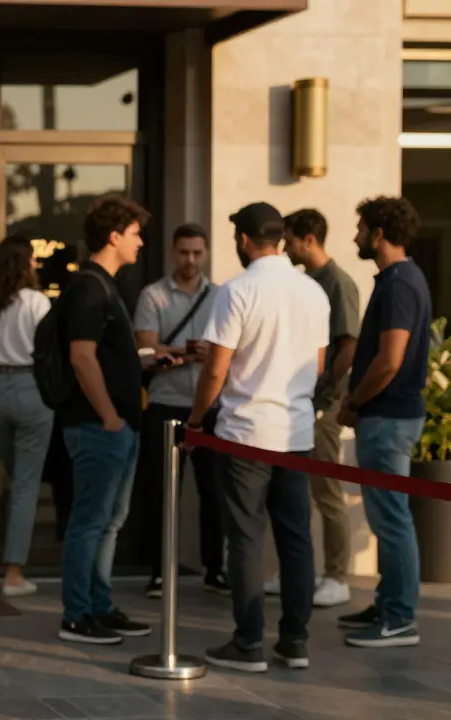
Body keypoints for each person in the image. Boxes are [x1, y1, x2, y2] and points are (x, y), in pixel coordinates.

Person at [188, 202, 330, 673]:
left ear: (246, 241)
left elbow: (215, 370)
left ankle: (248, 642)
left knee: (246, 539)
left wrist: (194, 420)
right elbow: (319, 365)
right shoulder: (313, 291)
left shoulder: (237, 290)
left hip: (245, 434)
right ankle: (295, 641)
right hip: (295, 432)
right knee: (296, 539)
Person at [57, 195, 160, 645]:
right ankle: (78, 615)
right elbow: (82, 357)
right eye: (136, 233)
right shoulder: (89, 286)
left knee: (108, 522)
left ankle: (100, 605)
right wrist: (110, 417)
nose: (141, 242)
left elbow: (106, 355)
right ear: (114, 235)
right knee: (90, 521)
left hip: (116, 426)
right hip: (100, 428)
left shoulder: (105, 285)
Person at [336, 196, 430, 648]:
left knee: (392, 520)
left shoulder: (398, 284)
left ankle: (399, 618)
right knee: (388, 518)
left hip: (387, 418)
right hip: (390, 418)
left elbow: (389, 360)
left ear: (378, 233)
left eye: (360, 227)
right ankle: (389, 601)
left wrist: (354, 401)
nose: (355, 235)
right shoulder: (400, 279)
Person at [270, 209, 360, 608]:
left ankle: (337, 576)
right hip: (301, 406)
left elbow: (348, 348)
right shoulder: (306, 283)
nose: (285, 246)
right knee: (294, 493)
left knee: (326, 490)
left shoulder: (338, 283)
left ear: (308, 239)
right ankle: (294, 571)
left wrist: (324, 398)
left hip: (322, 406)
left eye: (289, 238)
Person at [134, 223, 226, 599]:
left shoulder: (220, 296)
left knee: (215, 492)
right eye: (184, 252)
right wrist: (194, 355)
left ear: (205, 254)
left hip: (212, 407)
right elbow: (145, 350)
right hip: (165, 405)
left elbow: (232, 351)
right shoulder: (153, 295)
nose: (191, 259)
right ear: (174, 253)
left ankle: (214, 570)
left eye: (197, 253)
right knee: (163, 493)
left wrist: (205, 355)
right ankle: (159, 573)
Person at [0, 236, 53, 597]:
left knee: (14, 478)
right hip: (30, 387)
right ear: (27, 263)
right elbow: (49, 353)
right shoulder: (38, 302)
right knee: (25, 484)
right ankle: (14, 572)